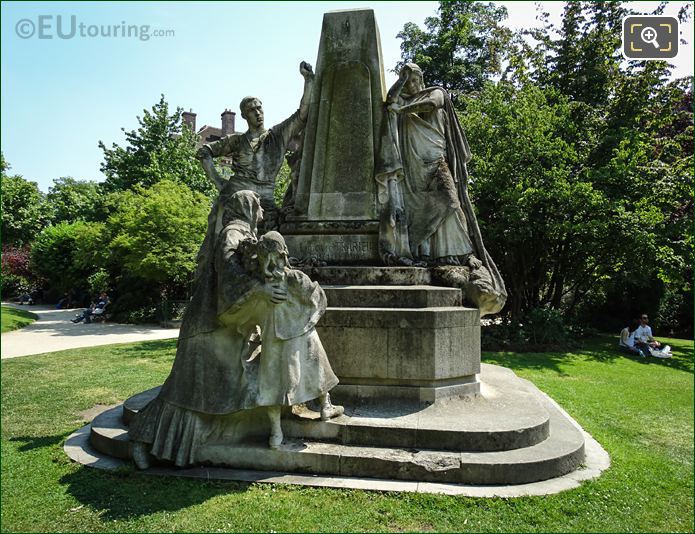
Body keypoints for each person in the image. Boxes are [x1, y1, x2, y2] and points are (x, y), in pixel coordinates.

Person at [129, 191, 342, 469]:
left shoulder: (240, 234)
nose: (262, 214)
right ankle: (141, 441)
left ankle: (168, 448)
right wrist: (261, 289)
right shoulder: (232, 233)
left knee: (198, 394)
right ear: (248, 208)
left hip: (218, 328)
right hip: (207, 328)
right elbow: (230, 277)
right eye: (258, 208)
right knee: (185, 393)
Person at [380, 62, 507, 315]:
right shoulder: (401, 97)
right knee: (420, 213)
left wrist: (403, 108)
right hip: (414, 169)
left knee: (451, 204)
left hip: (436, 164)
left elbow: (431, 104)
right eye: (408, 81)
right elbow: (389, 101)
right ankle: (427, 256)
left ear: (423, 79)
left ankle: (465, 254)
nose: (413, 85)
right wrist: (399, 86)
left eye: (415, 79)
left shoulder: (435, 93)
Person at [195, 61, 315, 231]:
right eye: (252, 110)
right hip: (236, 202)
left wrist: (308, 80)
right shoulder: (236, 141)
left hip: (266, 205)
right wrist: (219, 182)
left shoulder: (278, 135)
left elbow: (302, 114)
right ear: (245, 115)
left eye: (260, 108)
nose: (258, 113)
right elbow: (204, 152)